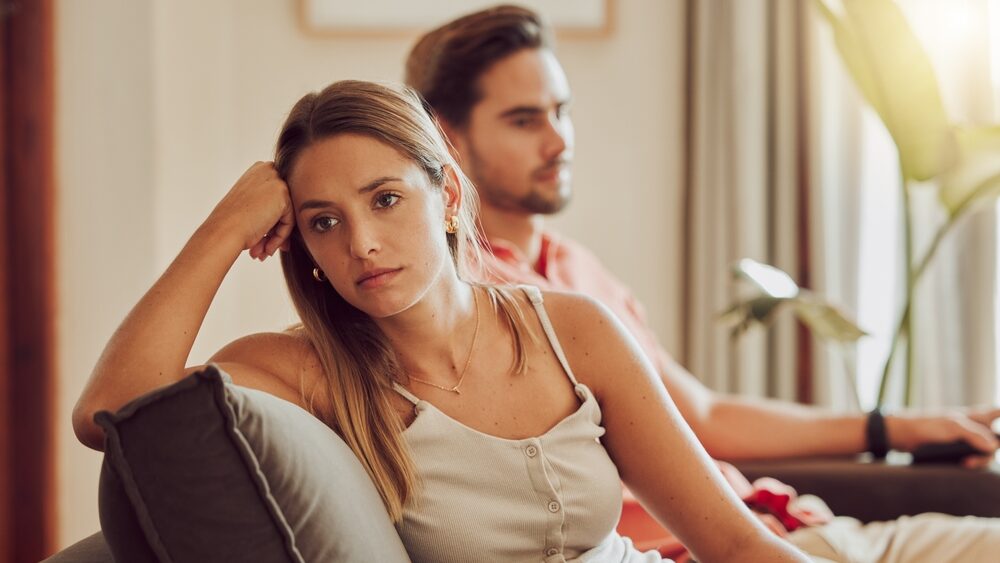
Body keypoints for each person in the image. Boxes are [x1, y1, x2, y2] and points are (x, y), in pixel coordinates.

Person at [72, 80, 809, 562]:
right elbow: (108, 414)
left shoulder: (573, 330)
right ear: (299, 241)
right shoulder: (302, 372)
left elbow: (736, 542)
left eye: (385, 199)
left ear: (449, 196)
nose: (359, 242)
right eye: (323, 220)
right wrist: (226, 226)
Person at [405, 4, 1000, 561]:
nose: (559, 141)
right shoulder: (463, 303)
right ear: (445, 136)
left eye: (562, 111)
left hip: (793, 525)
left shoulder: (575, 267)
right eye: (524, 120)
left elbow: (703, 413)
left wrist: (892, 426)